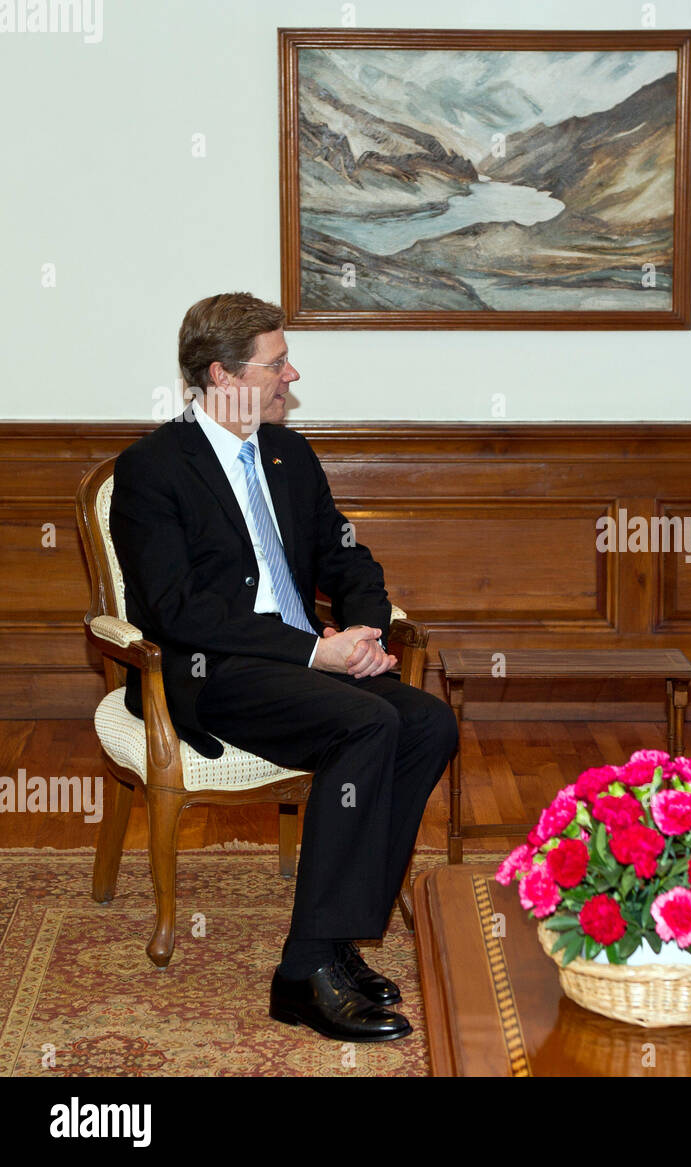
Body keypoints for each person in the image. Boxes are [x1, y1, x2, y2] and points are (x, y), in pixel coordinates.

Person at [110, 292, 458, 1041]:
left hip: (305, 664)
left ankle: (339, 940)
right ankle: (302, 972)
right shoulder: (152, 470)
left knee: (428, 721)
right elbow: (176, 611)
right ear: (223, 373)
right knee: (365, 724)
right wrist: (314, 649)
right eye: (277, 363)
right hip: (215, 670)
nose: (291, 375)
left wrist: (363, 628)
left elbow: (345, 554)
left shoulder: (287, 454)